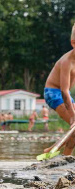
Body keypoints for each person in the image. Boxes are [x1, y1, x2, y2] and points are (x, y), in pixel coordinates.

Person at [44, 23, 75, 155]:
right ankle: (58, 154)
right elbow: (64, 91)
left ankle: (61, 156)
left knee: (74, 130)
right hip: (54, 93)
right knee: (74, 124)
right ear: (74, 43)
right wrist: (73, 116)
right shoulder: (67, 62)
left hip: (65, 94)